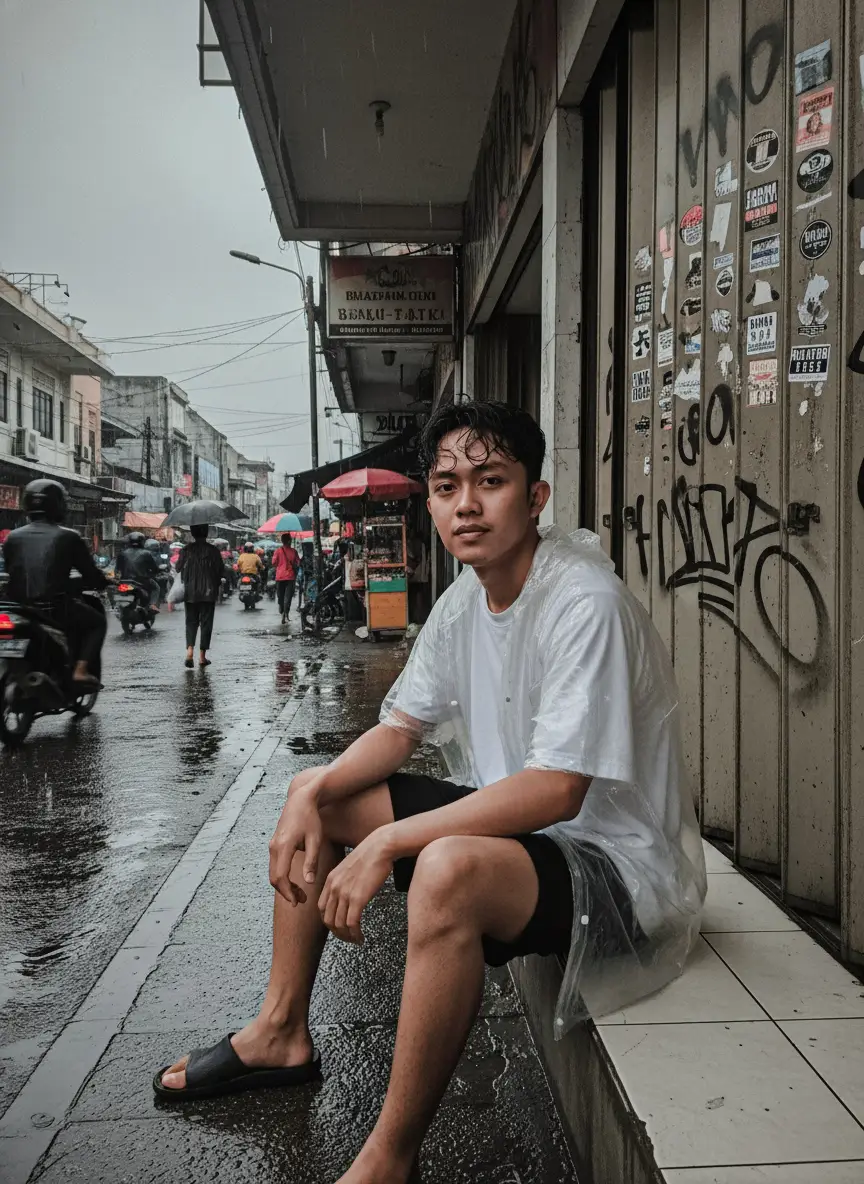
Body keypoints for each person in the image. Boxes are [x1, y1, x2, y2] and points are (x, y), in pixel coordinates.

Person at [153, 401, 705, 1184]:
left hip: (617, 872)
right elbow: (398, 729)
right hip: (529, 838)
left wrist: (389, 841)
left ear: (535, 497)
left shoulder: (584, 602)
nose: (467, 504)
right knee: (326, 795)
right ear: (431, 499)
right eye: (447, 485)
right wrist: (307, 796)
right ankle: (280, 1030)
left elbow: (556, 791)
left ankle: (390, 1158)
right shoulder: (462, 601)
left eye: (492, 481)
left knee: (443, 868)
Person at [2, 479, 108, 687]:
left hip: (20, 608)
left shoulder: (12, 537)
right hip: (56, 608)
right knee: (98, 623)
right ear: (58, 505)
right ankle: (80, 670)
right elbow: (91, 575)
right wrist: (97, 582)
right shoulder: (69, 536)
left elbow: (13, 571)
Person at [175, 524, 225, 668]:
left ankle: (189, 651)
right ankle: (202, 657)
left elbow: (178, 568)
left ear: (192, 533)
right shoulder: (213, 550)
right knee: (206, 623)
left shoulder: (186, 550)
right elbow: (220, 570)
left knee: (191, 621)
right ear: (206, 532)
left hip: (190, 591)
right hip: (208, 592)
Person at [116, 532, 161, 612]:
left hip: (125, 581)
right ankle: (152, 605)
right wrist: (156, 571)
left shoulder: (122, 553)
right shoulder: (146, 553)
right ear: (142, 542)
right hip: (141, 580)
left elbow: (117, 568)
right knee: (156, 588)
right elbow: (154, 568)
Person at [272, 533, 300, 623]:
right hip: (290, 577)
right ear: (289, 541)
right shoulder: (294, 551)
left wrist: (280, 565)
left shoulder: (277, 551)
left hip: (280, 577)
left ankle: (281, 607)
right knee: (288, 597)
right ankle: (286, 613)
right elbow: (298, 563)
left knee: (280, 595)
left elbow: (273, 563)